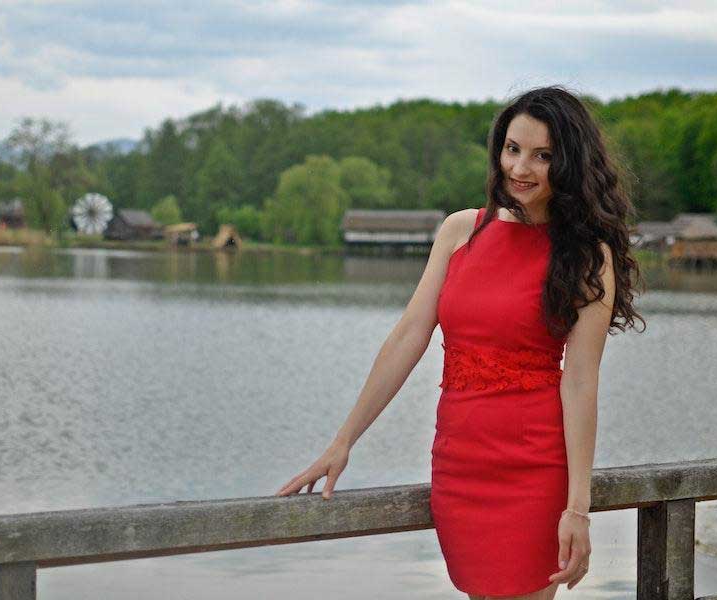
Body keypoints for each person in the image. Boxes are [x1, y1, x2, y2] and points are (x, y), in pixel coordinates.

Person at [275, 85, 645, 599]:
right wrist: (343, 442)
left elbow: (581, 381)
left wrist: (576, 507)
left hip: (534, 470)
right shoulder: (460, 232)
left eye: (543, 156)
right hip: (459, 464)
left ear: (571, 164)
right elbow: (408, 336)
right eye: (513, 149)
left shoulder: (587, 255)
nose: (521, 168)